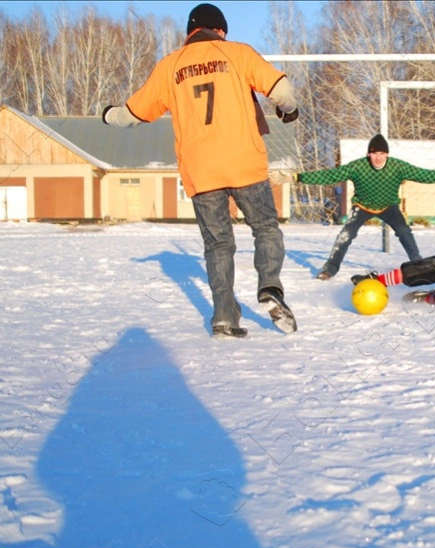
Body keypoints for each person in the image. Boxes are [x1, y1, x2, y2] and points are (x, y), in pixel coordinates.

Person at [102, 3, 300, 338]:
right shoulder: (237, 53)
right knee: (265, 227)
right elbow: (281, 91)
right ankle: (269, 287)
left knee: (218, 244)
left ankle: (224, 318)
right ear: (219, 30)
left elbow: (134, 114)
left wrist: (109, 115)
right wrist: (289, 109)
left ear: (190, 32)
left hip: (201, 170)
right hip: (243, 162)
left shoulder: (170, 66)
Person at [270, 134, 435, 280]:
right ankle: (330, 269)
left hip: (389, 206)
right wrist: (296, 177)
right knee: (345, 234)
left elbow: (425, 174)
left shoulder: (398, 167)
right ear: (368, 154)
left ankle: (418, 265)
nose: (378, 158)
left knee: (404, 232)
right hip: (362, 206)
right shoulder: (357, 167)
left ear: (387, 155)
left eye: (382, 154)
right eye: (374, 154)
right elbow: (330, 175)